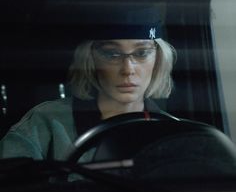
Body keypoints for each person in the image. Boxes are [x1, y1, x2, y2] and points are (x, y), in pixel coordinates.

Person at [0, 25, 177, 162]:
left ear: (159, 58)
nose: (128, 69)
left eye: (142, 53)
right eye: (112, 54)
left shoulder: (175, 132)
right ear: (90, 59)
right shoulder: (45, 124)